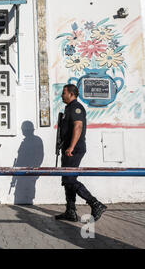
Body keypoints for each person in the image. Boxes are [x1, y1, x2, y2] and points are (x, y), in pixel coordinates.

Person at [55, 84, 107, 222]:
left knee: (69, 179)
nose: (62, 95)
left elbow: (78, 126)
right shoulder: (69, 108)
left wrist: (71, 147)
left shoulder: (76, 108)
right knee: (66, 180)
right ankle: (70, 211)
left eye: (64, 92)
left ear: (71, 94)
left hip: (74, 149)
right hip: (68, 149)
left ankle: (95, 204)